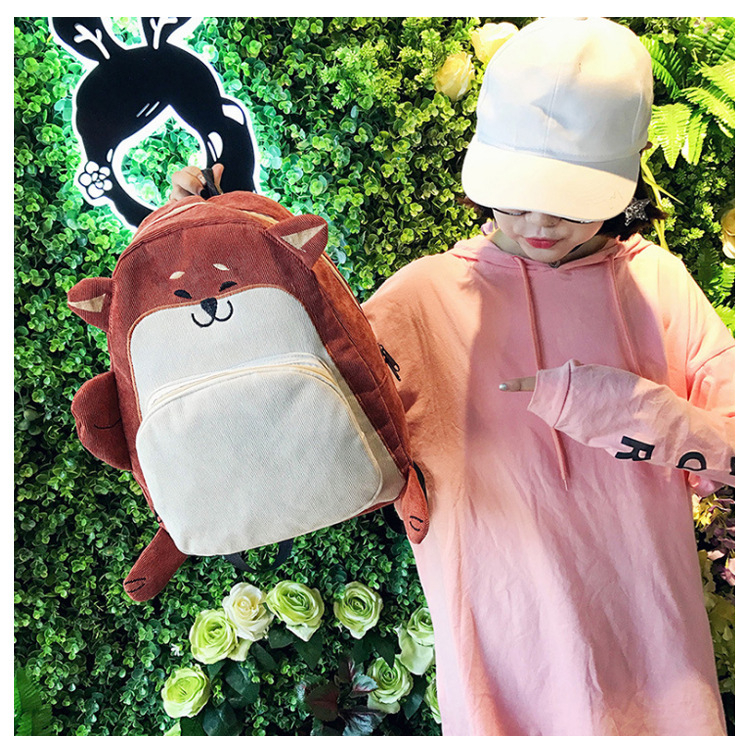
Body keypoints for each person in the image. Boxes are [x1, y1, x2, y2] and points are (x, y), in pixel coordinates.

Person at [170, 17, 734, 736]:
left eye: (572, 197)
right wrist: (219, 246)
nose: (539, 219)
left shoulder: (658, 287)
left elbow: (734, 449)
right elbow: (295, 417)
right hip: (504, 666)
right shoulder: (421, 299)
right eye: (516, 190)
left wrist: (617, 407)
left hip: (659, 666)